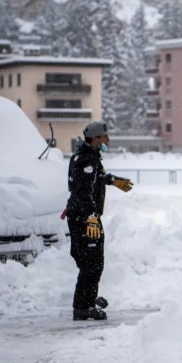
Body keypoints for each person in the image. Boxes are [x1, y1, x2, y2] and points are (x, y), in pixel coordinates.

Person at [65, 120, 133, 321]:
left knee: (90, 262)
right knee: (92, 264)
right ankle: (83, 307)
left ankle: (88, 298)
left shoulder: (86, 156)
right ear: (95, 139)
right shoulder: (87, 160)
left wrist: (112, 180)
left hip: (81, 217)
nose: (108, 139)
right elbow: (84, 192)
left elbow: (93, 179)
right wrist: (92, 218)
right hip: (85, 219)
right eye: (105, 137)